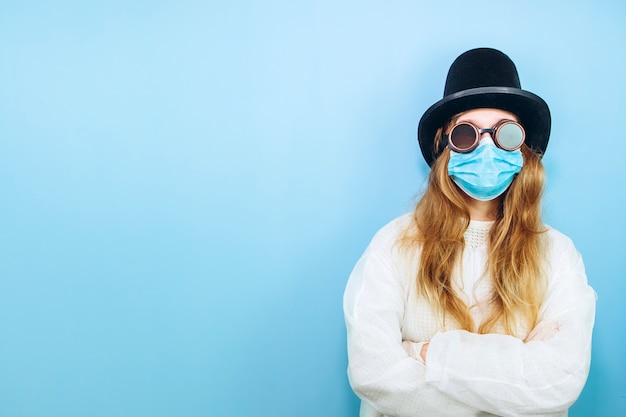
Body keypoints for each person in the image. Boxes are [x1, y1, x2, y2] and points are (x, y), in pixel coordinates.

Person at [343, 48, 596, 417]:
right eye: (467, 134)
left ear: (523, 150)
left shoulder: (556, 254)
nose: (487, 147)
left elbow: (559, 382)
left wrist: (426, 354)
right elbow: (373, 373)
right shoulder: (393, 246)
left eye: (505, 133)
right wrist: (509, 392)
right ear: (444, 146)